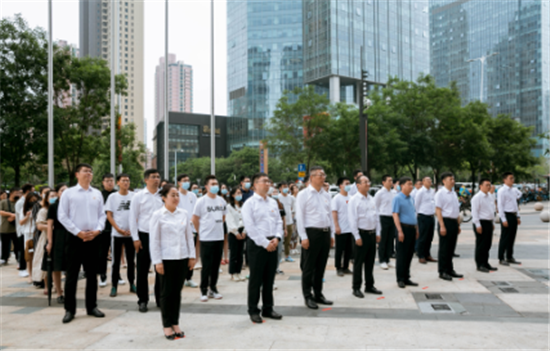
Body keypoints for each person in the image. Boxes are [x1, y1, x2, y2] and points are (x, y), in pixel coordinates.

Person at [58, 163, 107, 323]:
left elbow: (102, 215)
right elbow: (62, 216)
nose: (89, 174)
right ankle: (69, 310)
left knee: (92, 274)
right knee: (72, 275)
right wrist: (78, 232)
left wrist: (98, 230)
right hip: (75, 237)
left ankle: (91, 306)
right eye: (85, 171)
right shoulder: (69, 193)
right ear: (77, 174)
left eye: (90, 171)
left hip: (93, 237)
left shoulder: (97, 193)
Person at [150, 184, 196, 340]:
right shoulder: (158, 215)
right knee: (166, 293)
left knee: (177, 293)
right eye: (173, 195)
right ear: (164, 198)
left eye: (177, 195)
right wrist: (157, 261)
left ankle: (175, 322)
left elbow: (189, 237)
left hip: (182, 258)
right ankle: (166, 325)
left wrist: (192, 256)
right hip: (166, 259)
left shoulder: (183, 213)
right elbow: (154, 240)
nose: (176, 198)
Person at [241, 172, 283, 323]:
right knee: (256, 279)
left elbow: (279, 222)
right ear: (255, 185)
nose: (268, 184)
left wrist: (277, 238)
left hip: (273, 242)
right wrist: (265, 243)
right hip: (257, 245)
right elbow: (250, 228)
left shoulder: (272, 202)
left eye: (269, 181)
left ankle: (268, 308)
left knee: (269, 279)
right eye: (264, 181)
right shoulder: (249, 204)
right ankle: (253, 310)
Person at [296, 166, 335, 310]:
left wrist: (331, 235)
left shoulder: (326, 195)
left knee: (321, 266)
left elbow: (329, 216)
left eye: (324, 174)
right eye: (319, 174)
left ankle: (318, 294)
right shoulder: (303, 194)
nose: (322, 177)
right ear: (311, 177)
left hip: (325, 233)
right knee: (308, 267)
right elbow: (300, 217)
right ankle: (308, 296)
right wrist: (303, 237)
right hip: (311, 233)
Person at [129, 169, 163, 313]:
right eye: (153, 177)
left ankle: (160, 298)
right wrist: (135, 238)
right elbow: (132, 218)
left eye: (158, 177)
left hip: (161, 236)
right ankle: (143, 300)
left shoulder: (164, 195)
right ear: (146, 180)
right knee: (142, 270)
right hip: (144, 236)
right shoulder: (138, 196)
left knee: (160, 269)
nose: (156, 179)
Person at [192, 175, 227, 302]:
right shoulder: (201, 201)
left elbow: (223, 218)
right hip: (206, 238)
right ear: (206, 187)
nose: (215, 186)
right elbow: (195, 218)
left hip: (218, 237)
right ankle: (203, 290)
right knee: (206, 266)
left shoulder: (222, 201)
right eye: (212, 184)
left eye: (216, 183)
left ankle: (213, 288)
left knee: (215, 265)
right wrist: (200, 231)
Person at [348, 175, 382, 298]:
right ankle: (356, 287)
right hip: (360, 234)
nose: (368, 184)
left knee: (370, 261)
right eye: (365, 182)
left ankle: (369, 285)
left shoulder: (371, 199)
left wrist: (378, 233)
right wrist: (357, 236)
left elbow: (376, 217)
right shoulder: (354, 200)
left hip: (372, 234)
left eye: (368, 181)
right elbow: (352, 220)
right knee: (358, 263)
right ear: (358, 185)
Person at [105, 173, 136, 297]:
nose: (126, 183)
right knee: (115, 262)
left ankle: (132, 284)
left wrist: (132, 229)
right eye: (123, 180)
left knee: (131, 261)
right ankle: (114, 286)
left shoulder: (134, 196)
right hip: (117, 235)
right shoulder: (113, 197)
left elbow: (137, 214)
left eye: (128, 180)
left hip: (131, 235)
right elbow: (109, 215)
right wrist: (119, 229)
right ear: (118, 183)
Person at [434, 172, 463, 281]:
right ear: (444, 181)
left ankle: (450, 269)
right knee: (444, 248)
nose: (453, 181)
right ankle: (443, 271)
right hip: (445, 221)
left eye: (453, 179)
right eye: (450, 179)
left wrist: (458, 224)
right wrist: (442, 225)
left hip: (453, 222)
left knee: (451, 248)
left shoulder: (454, 193)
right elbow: (438, 210)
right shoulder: (440, 194)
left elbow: (456, 210)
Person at [391, 177, 419, 289]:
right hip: (403, 228)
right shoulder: (397, 198)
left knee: (409, 254)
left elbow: (413, 214)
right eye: (409, 184)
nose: (411, 186)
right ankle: (400, 278)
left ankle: (407, 277)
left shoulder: (411, 198)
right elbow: (395, 214)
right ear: (402, 185)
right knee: (402, 254)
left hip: (412, 228)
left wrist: (416, 229)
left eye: (412, 184)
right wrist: (399, 231)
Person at [45, 183, 69, 304]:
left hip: (72, 235)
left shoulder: (72, 205)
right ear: (58, 193)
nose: (64, 192)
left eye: (66, 190)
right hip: (58, 236)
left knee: (71, 265)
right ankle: (59, 292)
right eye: (62, 190)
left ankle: (69, 291)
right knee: (57, 266)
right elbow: (49, 225)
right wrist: (50, 242)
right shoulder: (53, 206)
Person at [176, 174, 199, 288]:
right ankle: (180, 277)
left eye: (188, 180)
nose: (187, 182)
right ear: (179, 183)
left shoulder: (192, 196)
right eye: (184, 180)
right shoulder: (176, 195)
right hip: (180, 229)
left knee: (191, 253)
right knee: (181, 254)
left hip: (192, 229)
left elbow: (195, 212)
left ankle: (189, 277)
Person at [472, 178, 498, 273]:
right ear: (480, 186)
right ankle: (480, 264)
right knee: (481, 245)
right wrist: (477, 225)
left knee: (488, 244)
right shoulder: (477, 197)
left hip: (488, 222)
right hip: (481, 222)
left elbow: (492, 210)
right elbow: (475, 212)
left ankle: (485, 262)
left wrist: (493, 223)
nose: (488, 187)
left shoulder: (489, 196)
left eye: (489, 185)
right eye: (486, 185)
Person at [33, 190, 57, 290]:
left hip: (58, 237)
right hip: (46, 238)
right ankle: (47, 285)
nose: (54, 198)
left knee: (57, 264)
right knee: (46, 262)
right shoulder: (43, 210)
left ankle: (57, 285)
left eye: (55, 196)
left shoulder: (60, 209)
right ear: (46, 198)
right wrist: (51, 227)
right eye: (51, 196)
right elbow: (39, 225)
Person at [497, 172, 522, 266]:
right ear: (505, 180)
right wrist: (503, 219)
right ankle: (501, 257)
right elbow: (500, 206)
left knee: (512, 237)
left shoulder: (513, 190)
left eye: (513, 178)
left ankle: (509, 256)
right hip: (506, 215)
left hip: (513, 215)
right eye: (510, 178)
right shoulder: (502, 191)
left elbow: (515, 204)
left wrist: (518, 216)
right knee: (505, 237)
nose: (512, 180)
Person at [331, 177, 353, 277]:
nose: (348, 185)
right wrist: (336, 226)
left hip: (350, 228)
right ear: (341, 186)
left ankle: (346, 267)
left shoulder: (351, 198)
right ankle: (338, 268)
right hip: (341, 228)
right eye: (346, 183)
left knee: (349, 249)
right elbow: (334, 213)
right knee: (339, 250)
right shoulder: (337, 198)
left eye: (349, 183)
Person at [374, 175, 396, 270]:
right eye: (389, 180)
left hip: (392, 218)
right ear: (383, 182)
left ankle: (388, 259)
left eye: (391, 181)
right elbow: (375, 207)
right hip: (383, 218)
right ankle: (382, 260)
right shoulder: (379, 193)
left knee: (390, 239)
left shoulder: (393, 193)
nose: (391, 182)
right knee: (383, 240)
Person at [98, 173, 116, 287]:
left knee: (116, 253)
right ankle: (102, 275)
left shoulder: (117, 194)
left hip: (116, 228)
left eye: (111, 180)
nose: (109, 182)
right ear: (103, 182)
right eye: (107, 180)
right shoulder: (99, 195)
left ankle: (116, 275)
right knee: (102, 253)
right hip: (103, 229)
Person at [415, 176, 437, 264]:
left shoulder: (432, 191)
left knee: (429, 237)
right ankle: (421, 256)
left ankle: (428, 254)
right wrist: (417, 218)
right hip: (423, 216)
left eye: (430, 180)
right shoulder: (420, 192)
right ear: (423, 182)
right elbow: (416, 205)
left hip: (431, 216)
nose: (429, 182)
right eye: (427, 180)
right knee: (422, 237)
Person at [226, 187, 246, 281]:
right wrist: (236, 232)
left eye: (240, 193)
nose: (239, 195)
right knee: (234, 254)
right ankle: (233, 273)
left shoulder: (243, 205)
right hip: (234, 232)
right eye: (237, 193)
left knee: (240, 254)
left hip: (243, 231)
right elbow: (230, 221)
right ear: (233, 195)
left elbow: (247, 219)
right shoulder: (229, 206)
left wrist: (245, 231)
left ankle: (239, 272)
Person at [19, 191, 39, 283]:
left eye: (34, 200)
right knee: (28, 255)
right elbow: (21, 222)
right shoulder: (23, 209)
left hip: (37, 233)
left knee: (36, 254)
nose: (33, 201)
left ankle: (36, 274)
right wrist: (27, 216)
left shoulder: (38, 208)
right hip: (27, 234)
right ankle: (30, 275)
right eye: (31, 200)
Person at [15, 183, 34, 277]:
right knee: (24, 251)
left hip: (28, 229)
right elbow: (19, 217)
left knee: (28, 250)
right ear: (28, 191)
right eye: (33, 190)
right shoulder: (20, 203)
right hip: (23, 229)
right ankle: (22, 268)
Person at [0, 187, 21, 265]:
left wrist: (15, 216)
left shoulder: (20, 202)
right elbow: (0, 211)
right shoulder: (3, 202)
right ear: (11, 194)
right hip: (5, 228)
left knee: (17, 245)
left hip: (17, 228)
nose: (18, 195)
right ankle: (4, 259)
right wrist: (10, 214)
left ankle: (18, 259)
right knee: (5, 245)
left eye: (19, 193)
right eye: (17, 193)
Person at [278, 182, 295, 263]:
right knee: (280, 241)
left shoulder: (291, 198)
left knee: (288, 241)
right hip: (280, 223)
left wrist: (291, 216)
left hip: (289, 222)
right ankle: (279, 257)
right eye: (284, 187)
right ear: (280, 189)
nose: (286, 188)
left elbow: (293, 208)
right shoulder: (278, 197)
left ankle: (287, 256)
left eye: (287, 187)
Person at [270, 188, 286, 276]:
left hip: (279, 231)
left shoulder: (280, 205)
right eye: (273, 192)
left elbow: (282, 218)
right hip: (270, 232)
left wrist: (285, 228)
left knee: (279, 250)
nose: (275, 193)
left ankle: (277, 267)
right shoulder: (268, 203)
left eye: (276, 192)